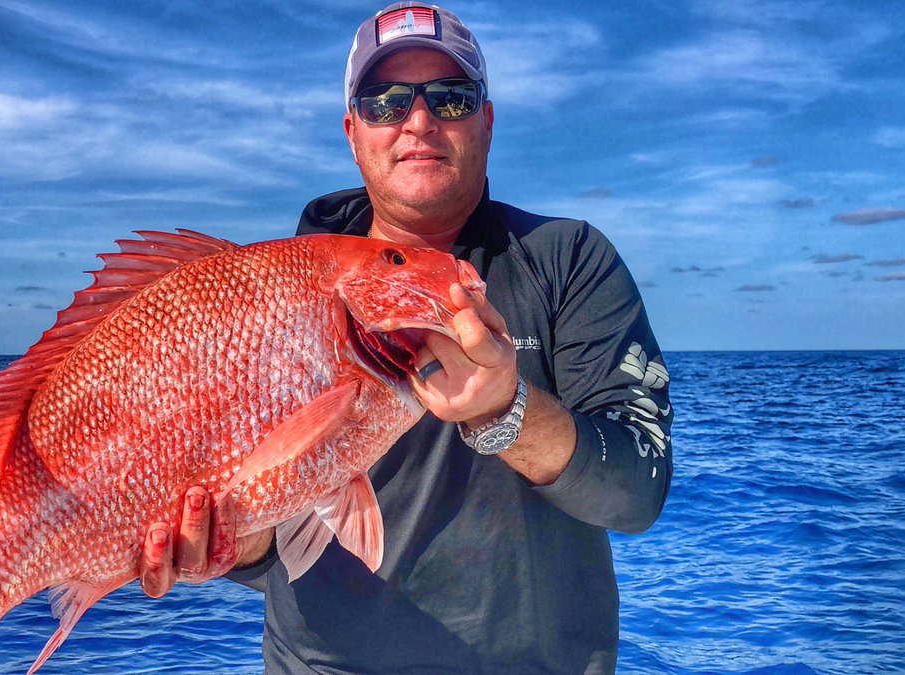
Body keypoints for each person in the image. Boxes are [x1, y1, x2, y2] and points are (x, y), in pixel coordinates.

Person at [140, 3, 673, 672]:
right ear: (352, 130)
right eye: (385, 100)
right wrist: (230, 546)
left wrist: (506, 411)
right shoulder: (271, 296)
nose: (418, 121)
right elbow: (268, 539)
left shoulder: (568, 259)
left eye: (450, 97)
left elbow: (636, 491)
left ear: (486, 119)